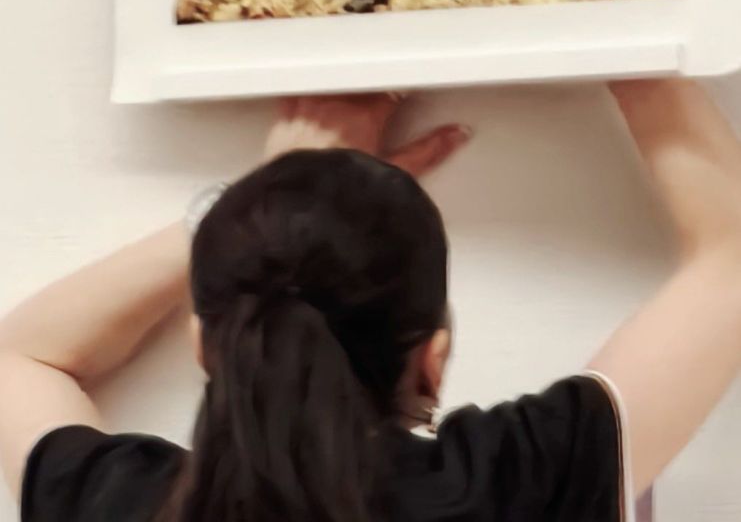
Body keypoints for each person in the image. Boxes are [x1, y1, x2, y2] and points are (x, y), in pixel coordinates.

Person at [0, 80, 740, 522]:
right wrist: (625, 23)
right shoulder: (514, 484)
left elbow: (19, 357)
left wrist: (256, 202)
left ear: (203, 345)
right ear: (432, 359)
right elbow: (730, 258)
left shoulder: (121, 505)